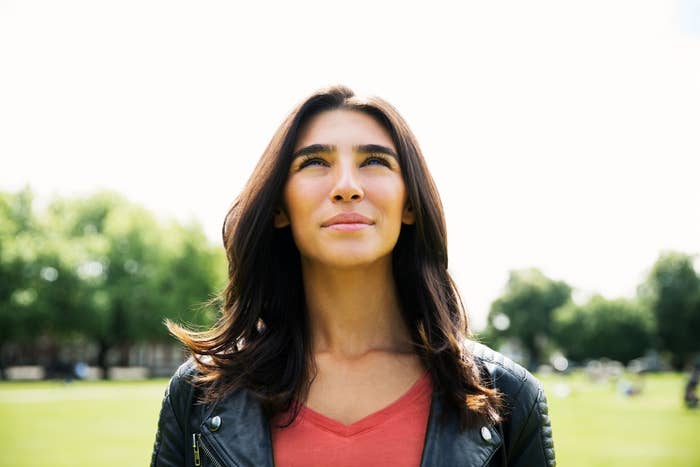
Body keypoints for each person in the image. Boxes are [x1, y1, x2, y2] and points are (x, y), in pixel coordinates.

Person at [150, 85, 556, 467]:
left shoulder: (510, 398)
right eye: (315, 162)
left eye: (375, 161)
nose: (347, 187)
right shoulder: (198, 396)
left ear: (409, 203)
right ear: (279, 208)